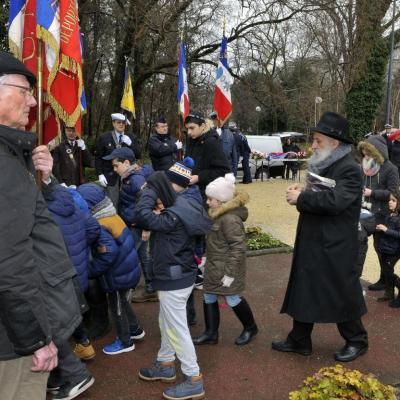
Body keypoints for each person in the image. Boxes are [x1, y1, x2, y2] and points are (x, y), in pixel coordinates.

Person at [0, 51, 88, 400]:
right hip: (13, 339)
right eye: (25, 89)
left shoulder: (13, 157)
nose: (34, 101)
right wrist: (36, 339)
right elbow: (10, 262)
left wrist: (43, 177)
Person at [272, 112, 368, 363]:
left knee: (341, 291)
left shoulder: (350, 168)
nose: (313, 145)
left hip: (335, 243)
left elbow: (336, 202)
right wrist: (303, 192)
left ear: (335, 143)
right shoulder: (325, 163)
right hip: (314, 238)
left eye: (318, 141)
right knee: (305, 287)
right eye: (313, 140)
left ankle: (357, 340)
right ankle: (299, 340)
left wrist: (301, 198)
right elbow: (323, 194)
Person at [134, 171, 211, 400]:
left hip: (173, 278)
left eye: (154, 191)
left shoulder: (171, 216)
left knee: (177, 328)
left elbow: (141, 215)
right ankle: (166, 363)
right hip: (181, 275)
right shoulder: (183, 204)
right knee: (167, 321)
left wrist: (149, 192)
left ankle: (193, 378)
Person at [77, 183, 143, 355]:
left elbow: (108, 254)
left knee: (117, 308)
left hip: (117, 275)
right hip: (126, 269)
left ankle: (125, 340)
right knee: (124, 302)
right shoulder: (111, 215)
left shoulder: (100, 225)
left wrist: (90, 270)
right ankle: (135, 329)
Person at [193, 173, 258, 346]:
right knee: (208, 296)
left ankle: (250, 327)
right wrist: (207, 259)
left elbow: (238, 247)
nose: (207, 202)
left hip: (226, 268)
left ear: (221, 201)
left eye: (210, 199)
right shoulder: (220, 214)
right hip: (215, 266)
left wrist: (229, 273)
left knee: (232, 298)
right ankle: (211, 333)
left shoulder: (229, 219)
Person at [102, 147, 157, 302]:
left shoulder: (136, 179)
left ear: (126, 162)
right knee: (143, 255)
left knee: (127, 256)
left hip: (137, 226)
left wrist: (147, 227)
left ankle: (125, 291)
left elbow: (147, 203)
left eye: (116, 165)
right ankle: (151, 288)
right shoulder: (127, 176)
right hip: (133, 223)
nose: (114, 169)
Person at [358, 135, 399, 291]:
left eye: (368, 153)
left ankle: (386, 281)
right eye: (364, 153)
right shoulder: (365, 167)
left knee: (382, 249)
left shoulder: (391, 169)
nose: (365, 156)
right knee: (371, 243)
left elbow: (393, 194)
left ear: (377, 152)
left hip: (384, 215)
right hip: (365, 211)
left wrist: (372, 193)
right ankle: (383, 280)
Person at [94, 113, 141, 206]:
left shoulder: (131, 137)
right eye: (118, 122)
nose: (121, 125)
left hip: (127, 175)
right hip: (110, 176)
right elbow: (98, 157)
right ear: (113, 123)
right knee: (113, 203)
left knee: (127, 202)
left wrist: (130, 144)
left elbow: (138, 155)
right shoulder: (104, 137)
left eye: (123, 123)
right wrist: (100, 174)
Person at [185, 111, 230, 202]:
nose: (189, 132)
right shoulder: (191, 140)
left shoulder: (211, 142)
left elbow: (223, 170)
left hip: (207, 195)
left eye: (192, 128)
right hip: (191, 191)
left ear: (202, 126)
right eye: (187, 128)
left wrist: (199, 177)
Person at [375, 192, 400, 306]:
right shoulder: (390, 214)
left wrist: (386, 230)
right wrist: (380, 229)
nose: (390, 202)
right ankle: (389, 294)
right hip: (386, 248)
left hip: (394, 250)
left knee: (389, 273)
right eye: (390, 200)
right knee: (386, 271)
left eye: (393, 200)